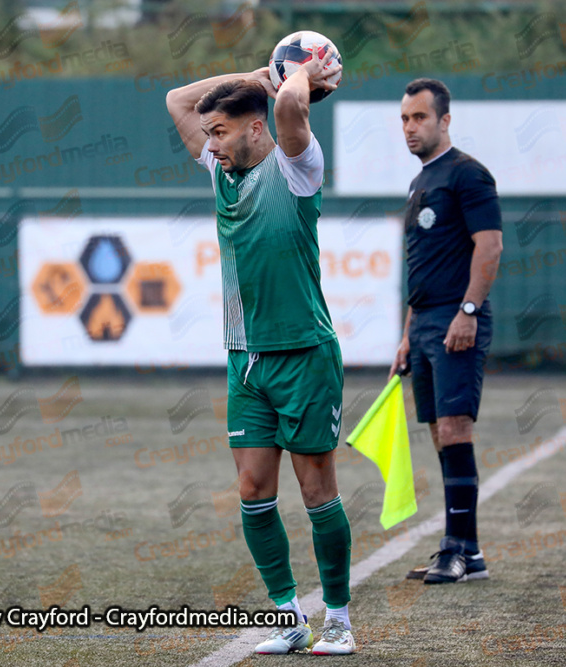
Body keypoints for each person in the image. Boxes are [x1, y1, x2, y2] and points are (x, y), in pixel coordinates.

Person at [165, 50, 355, 655]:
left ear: (256, 127)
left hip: (303, 354)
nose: (210, 144)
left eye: (220, 133)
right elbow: (176, 100)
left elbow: (294, 104)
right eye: (209, 135)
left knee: (317, 490)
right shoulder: (221, 169)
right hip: (244, 359)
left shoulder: (299, 166)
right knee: (252, 490)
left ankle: (340, 622)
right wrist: (253, 75)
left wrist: (294, 73)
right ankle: (288, 616)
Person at [389, 78, 503, 585]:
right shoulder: (419, 183)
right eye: (406, 119)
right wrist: (408, 334)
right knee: (439, 433)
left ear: (445, 121)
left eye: (420, 118)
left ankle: (457, 549)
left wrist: (469, 310)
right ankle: (466, 550)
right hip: (427, 322)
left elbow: (490, 246)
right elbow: (423, 268)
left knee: (456, 429)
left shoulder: (469, 176)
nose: (411, 128)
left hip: (460, 320)